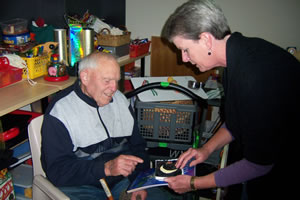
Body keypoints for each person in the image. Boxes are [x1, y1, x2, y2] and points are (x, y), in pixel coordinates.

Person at [162, 0, 300, 199]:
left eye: (185, 49)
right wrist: (205, 149)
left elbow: (258, 164)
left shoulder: (254, 76)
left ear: (206, 40)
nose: (183, 59)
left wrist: (194, 183)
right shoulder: (234, 57)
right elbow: (237, 121)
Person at [41, 52, 152, 200]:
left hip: (123, 181)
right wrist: (106, 168)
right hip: (81, 186)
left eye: (116, 81)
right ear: (85, 77)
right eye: (107, 81)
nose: (114, 88)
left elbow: (138, 147)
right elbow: (57, 171)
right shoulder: (60, 111)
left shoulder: (120, 100)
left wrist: (139, 182)